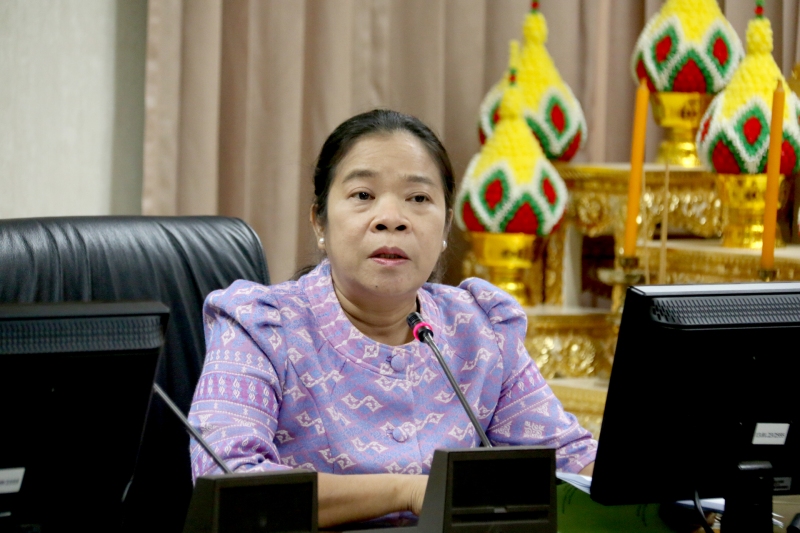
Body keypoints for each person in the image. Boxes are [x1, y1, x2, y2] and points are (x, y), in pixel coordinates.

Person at [188, 109, 596, 528]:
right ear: (319, 223)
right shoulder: (261, 327)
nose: (391, 218)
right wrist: (407, 491)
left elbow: (570, 461)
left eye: (418, 199)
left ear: (445, 228)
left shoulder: (478, 329)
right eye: (363, 195)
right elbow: (228, 483)